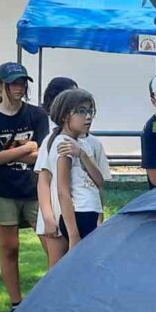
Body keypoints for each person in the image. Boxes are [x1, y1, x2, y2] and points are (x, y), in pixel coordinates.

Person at [0, 63, 48, 312]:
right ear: (0, 86)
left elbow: (42, 155)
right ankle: (17, 303)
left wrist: (6, 154)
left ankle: (53, 298)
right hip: (0, 191)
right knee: (9, 247)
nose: (19, 88)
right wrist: (24, 149)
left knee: (52, 240)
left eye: (22, 82)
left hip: (34, 188)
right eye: (13, 83)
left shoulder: (37, 115)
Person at [35, 89, 110, 266]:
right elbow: (63, 192)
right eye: (81, 111)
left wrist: (82, 154)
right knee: (73, 270)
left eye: (90, 111)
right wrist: (74, 235)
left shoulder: (78, 145)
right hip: (78, 213)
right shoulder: (63, 145)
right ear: (64, 116)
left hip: (88, 211)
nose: (88, 117)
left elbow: (99, 181)